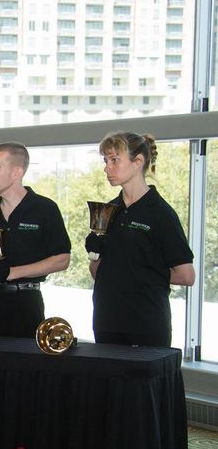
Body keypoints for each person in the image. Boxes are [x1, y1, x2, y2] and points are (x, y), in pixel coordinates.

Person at [88, 132, 194, 347]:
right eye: (105, 160)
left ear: (138, 162)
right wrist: (94, 253)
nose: (107, 168)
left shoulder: (160, 213)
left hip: (145, 322)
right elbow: (96, 273)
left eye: (115, 160)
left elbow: (186, 276)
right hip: (106, 319)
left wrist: (138, 270)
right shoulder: (108, 210)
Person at [0, 143, 71, 338]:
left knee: (22, 363)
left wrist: (13, 272)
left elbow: (62, 259)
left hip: (24, 302)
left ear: (17, 172)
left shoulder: (45, 208)